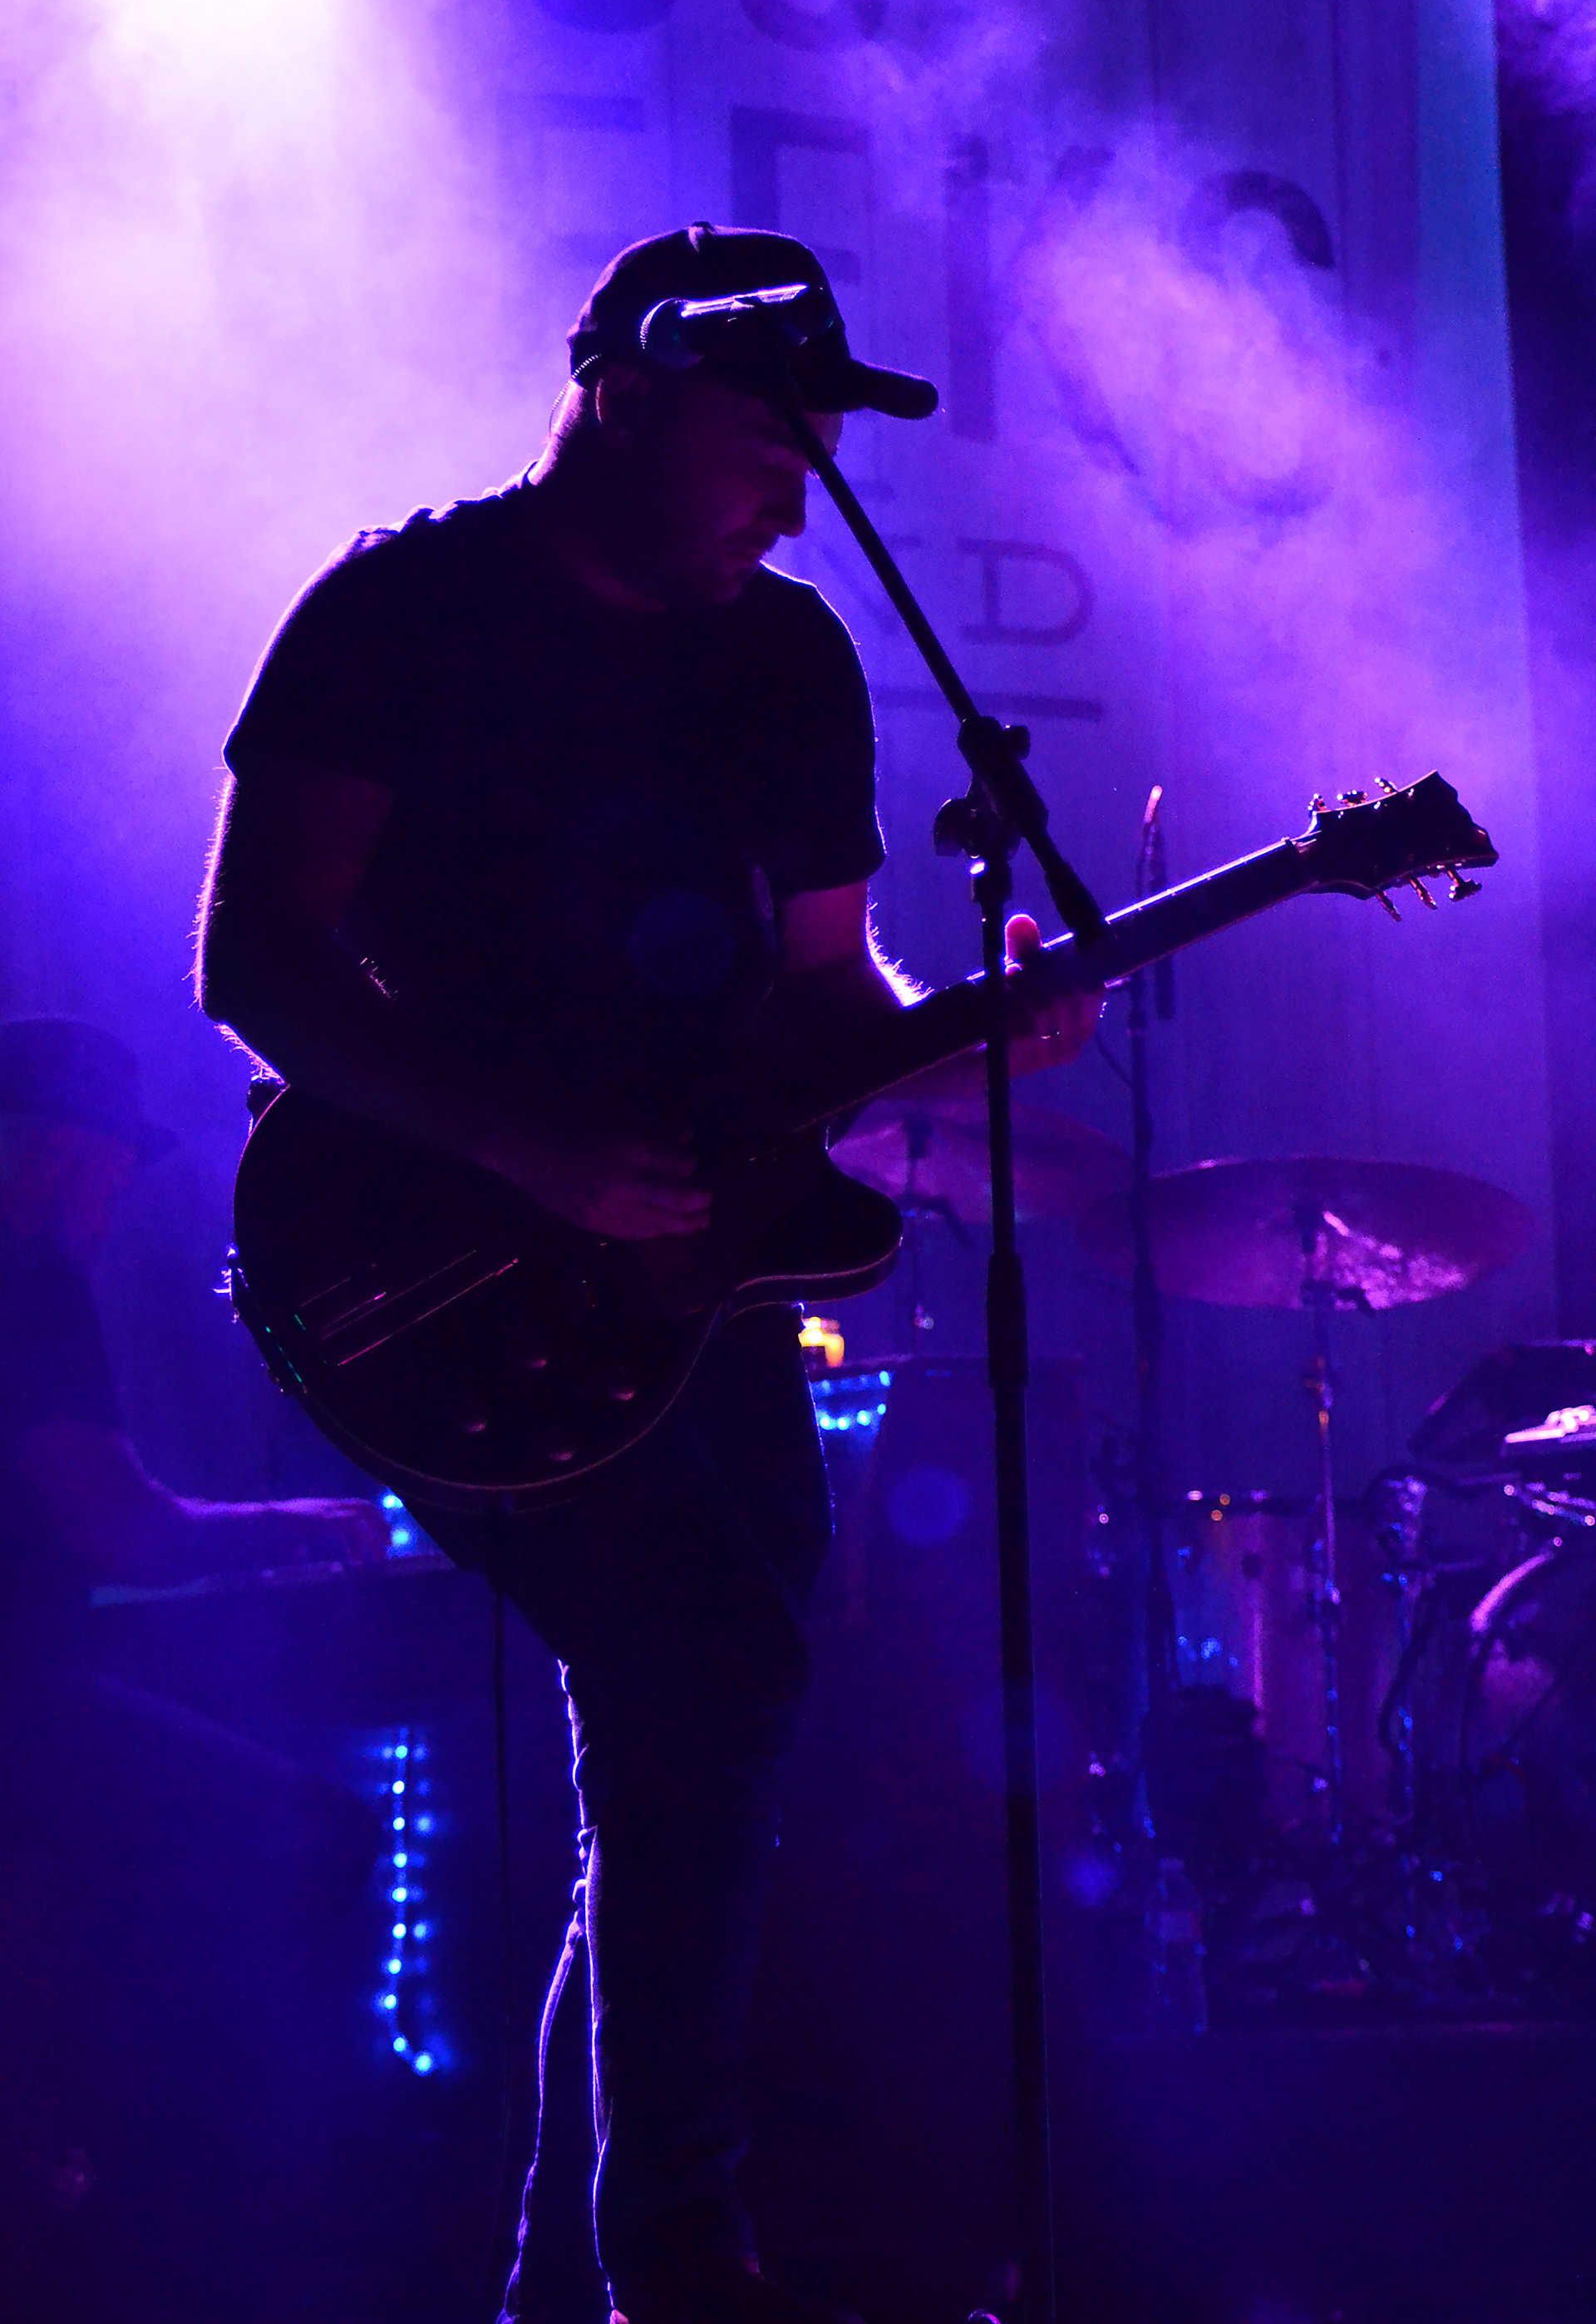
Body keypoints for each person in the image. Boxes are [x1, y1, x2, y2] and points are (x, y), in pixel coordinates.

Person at [196, 222, 1103, 2324]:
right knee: (705, 1674)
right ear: (617, 389)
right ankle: (673, 2263)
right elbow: (256, 956)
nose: (798, 484)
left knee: (710, 1713)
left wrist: (973, 1022)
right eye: (763, 437)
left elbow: (824, 1003)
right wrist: (518, 1139)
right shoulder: (399, 613)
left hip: (696, 1266)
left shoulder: (786, 661)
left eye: (816, 449)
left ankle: (583, 2271)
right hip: (415, 1257)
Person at [0, 1014, 387, 2313]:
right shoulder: (26, 1270)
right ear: (66, 1156)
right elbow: (118, 1528)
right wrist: (306, 1523)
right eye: (110, 1172)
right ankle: (183, 2207)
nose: (111, 1205)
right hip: (16, 1714)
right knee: (320, 1839)